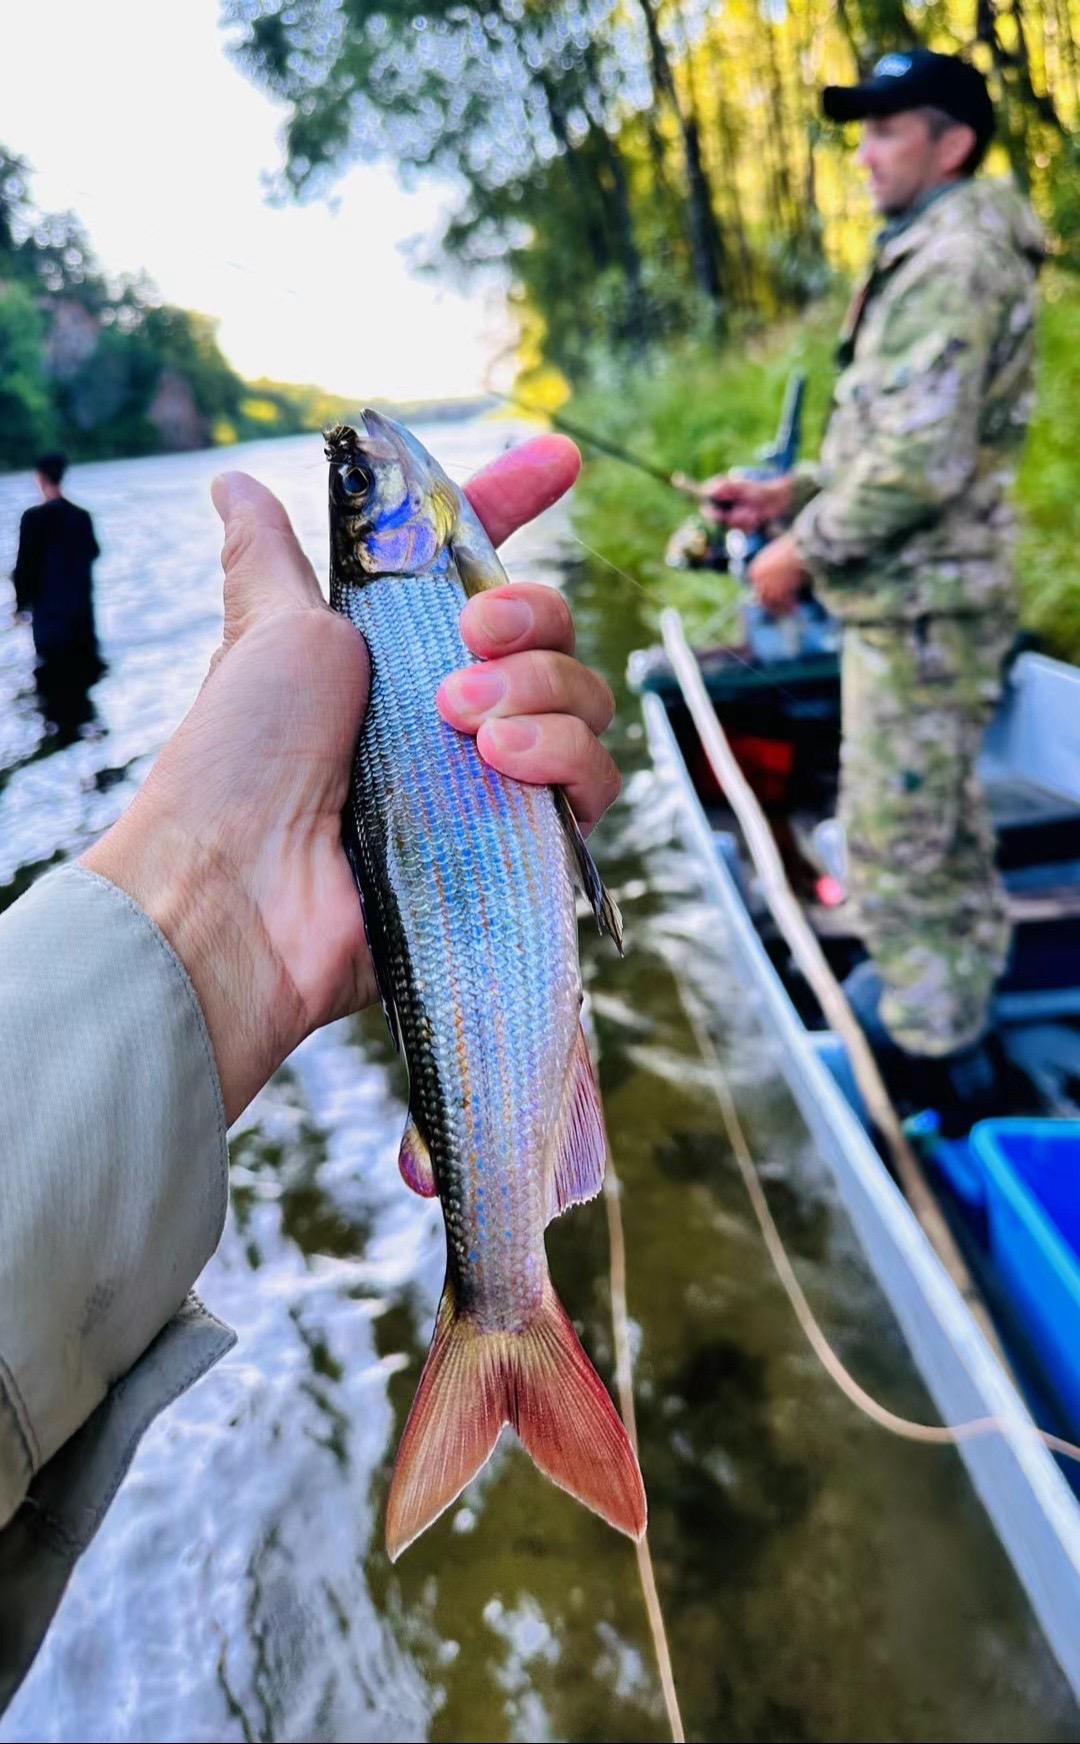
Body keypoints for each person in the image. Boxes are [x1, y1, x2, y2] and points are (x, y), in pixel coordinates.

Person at [0, 434, 619, 1707]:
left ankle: (502, 1315)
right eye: (356, 490)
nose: (368, 472)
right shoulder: (432, 568)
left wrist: (193, 926)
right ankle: (502, 1314)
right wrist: (202, 901)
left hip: (464, 923)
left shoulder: (431, 565)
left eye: (358, 491)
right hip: (462, 913)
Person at [705, 50, 1045, 1111]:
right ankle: (957, 1005)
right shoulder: (934, 251)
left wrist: (798, 552)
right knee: (938, 826)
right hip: (921, 598)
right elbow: (897, 439)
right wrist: (786, 496)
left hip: (922, 606)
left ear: (953, 143)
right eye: (863, 131)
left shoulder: (951, 261)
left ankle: (933, 1054)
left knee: (896, 846)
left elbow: (921, 463)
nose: (865, 152)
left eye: (889, 129)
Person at [12, 450, 104, 741]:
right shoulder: (81, 517)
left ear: (39, 478)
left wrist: (19, 606)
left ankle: (61, 735)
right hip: (80, 617)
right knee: (82, 684)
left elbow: (24, 567)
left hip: (50, 620)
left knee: (52, 687)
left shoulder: (33, 518)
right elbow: (93, 553)